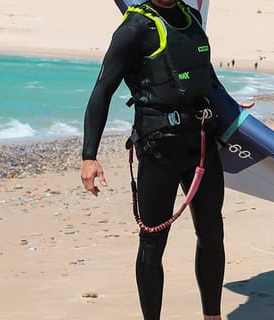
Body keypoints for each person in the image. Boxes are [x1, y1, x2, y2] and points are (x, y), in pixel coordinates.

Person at [79, 1, 226, 319]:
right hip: (160, 147)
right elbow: (102, 90)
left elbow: (206, 75)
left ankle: (212, 316)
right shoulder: (134, 29)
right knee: (153, 240)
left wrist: (230, 108)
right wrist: (89, 156)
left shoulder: (193, 18)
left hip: (201, 141)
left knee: (212, 232)